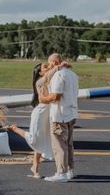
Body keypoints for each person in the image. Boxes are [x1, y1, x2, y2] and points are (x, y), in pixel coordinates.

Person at [9, 62, 67, 178]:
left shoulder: (51, 79)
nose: (48, 67)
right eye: (45, 67)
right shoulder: (40, 81)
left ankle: (35, 167)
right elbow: (48, 76)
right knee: (35, 139)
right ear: (40, 73)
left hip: (48, 113)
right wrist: (58, 66)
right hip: (40, 113)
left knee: (42, 139)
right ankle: (15, 129)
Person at [40, 53, 78, 183]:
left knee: (59, 145)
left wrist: (43, 99)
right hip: (72, 113)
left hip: (60, 115)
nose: (48, 66)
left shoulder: (58, 75)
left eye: (49, 63)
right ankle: (69, 170)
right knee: (69, 144)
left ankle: (61, 172)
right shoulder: (73, 75)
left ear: (55, 63)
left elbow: (56, 96)